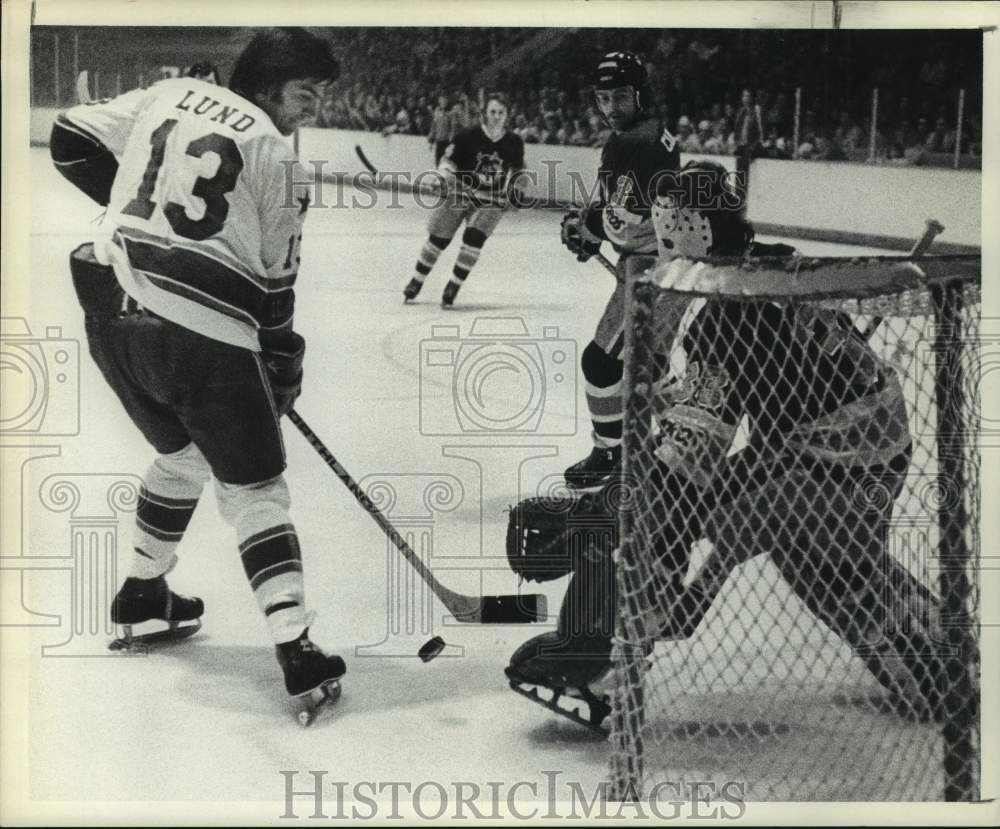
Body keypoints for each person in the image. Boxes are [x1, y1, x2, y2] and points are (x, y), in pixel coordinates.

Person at [506, 161, 945, 730]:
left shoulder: (721, 315)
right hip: (878, 443)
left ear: (686, 229)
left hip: (822, 463)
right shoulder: (776, 259)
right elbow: (759, 380)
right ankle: (940, 660)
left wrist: (604, 505)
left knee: (654, 510)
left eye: (666, 227)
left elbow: (688, 461)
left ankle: (605, 657)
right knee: (823, 566)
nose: (660, 240)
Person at [49, 28, 346, 716]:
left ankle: (143, 592)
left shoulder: (173, 92)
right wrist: (283, 366)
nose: (313, 109)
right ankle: (297, 650)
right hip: (201, 335)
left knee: (181, 456)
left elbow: (69, 138)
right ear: (271, 84)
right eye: (306, 92)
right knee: (257, 491)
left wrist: (130, 203)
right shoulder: (278, 157)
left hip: (112, 316)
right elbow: (276, 294)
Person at [558, 51, 681, 490]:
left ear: (640, 95)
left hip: (654, 270)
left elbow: (620, 216)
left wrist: (586, 228)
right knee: (651, 367)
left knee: (601, 362)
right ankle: (684, 445)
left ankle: (611, 454)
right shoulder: (650, 132)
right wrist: (591, 222)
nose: (610, 107)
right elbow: (619, 203)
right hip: (665, 265)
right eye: (603, 97)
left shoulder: (633, 142)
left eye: (620, 97)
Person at [402, 93, 525, 308]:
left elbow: (517, 171)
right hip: (460, 191)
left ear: (507, 115)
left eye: (501, 113)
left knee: (474, 239)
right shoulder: (468, 135)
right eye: (492, 112)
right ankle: (417, 280)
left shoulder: (514, 142)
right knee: (438, 239)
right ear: (484, 114)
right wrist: (443, 176)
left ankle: (453, 286)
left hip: (491, 198)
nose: (496, 117)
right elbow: (449, 160)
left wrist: (515, 193)